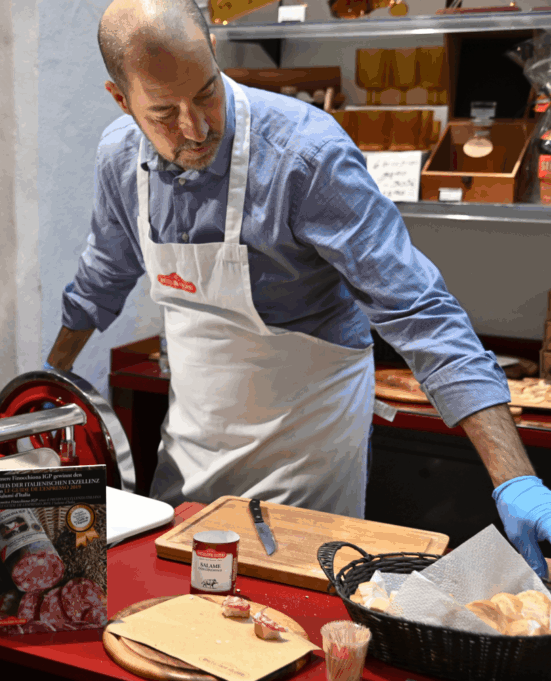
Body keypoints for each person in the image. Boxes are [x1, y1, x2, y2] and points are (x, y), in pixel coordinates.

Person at [44, 0, 551, 577]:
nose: (196, 127)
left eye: (206, 93)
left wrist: (517, 479)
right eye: (163, 113)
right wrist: (41, 391)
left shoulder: (305, 155)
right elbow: (100, 280)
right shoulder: (119, 158)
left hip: (306, 453)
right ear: (121, 100)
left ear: (214, 54)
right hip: (191, 449)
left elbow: (418, 308)